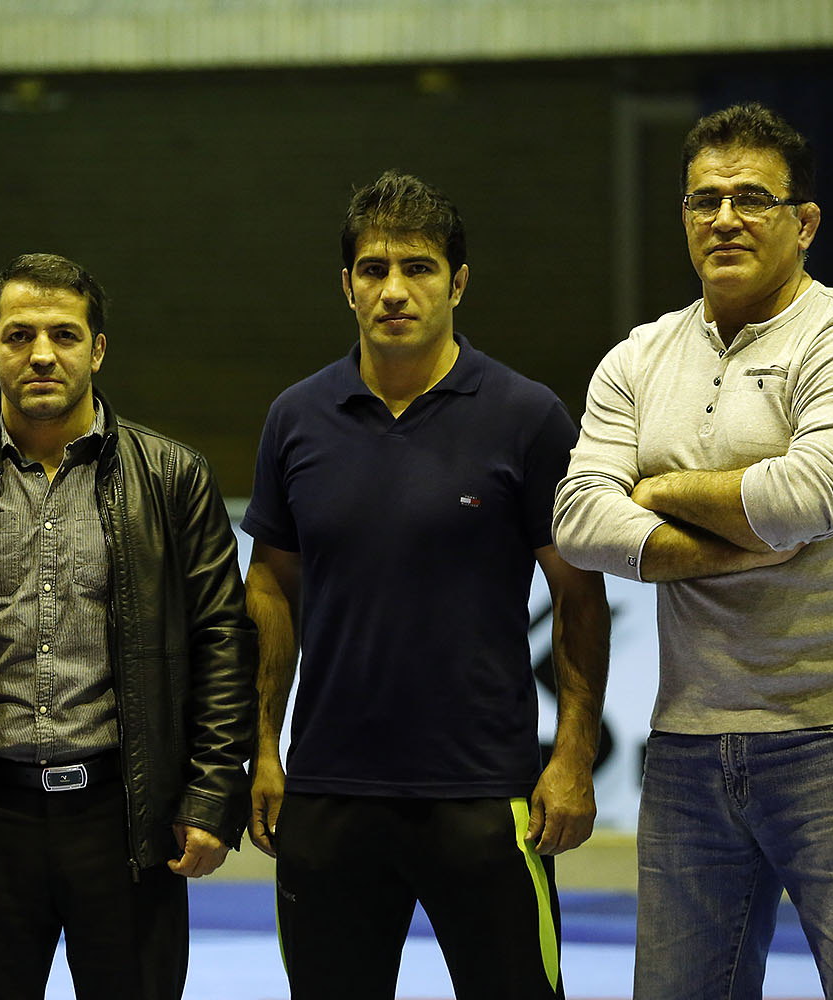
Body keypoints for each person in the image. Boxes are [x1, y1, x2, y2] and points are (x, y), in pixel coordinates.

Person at [553, 102, 833, 998]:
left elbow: (802, 501)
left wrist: (658, 492)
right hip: (688, 741)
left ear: (805, 223)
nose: (724, 219)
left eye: (752, 198)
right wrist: (732, 548)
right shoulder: (639, 357)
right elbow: (578, 519)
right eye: (704, 200)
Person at [243, 170, 611, 1000]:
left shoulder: (527, 416)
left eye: (418, 268)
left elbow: (579, 595)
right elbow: (270, 587)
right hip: (328, 793)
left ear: (459, 282)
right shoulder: (295, 418)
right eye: (373, 270)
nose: (394, 290)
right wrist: (263, 748)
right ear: (347, 285)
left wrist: (573, 757)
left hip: (484, 795)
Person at [0, 253, 257, 999]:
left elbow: (223, 646)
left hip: (126, 821)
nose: (42, 354)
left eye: (64, 335)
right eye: (20, 336)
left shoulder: (174, 478)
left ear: (97, 349)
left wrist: (210, 794)